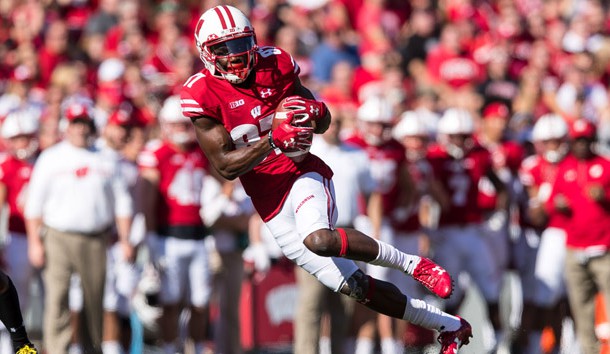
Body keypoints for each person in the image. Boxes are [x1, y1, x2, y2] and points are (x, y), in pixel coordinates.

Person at [179, 5, 472, 354]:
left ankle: (415, 265)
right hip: (269, 204)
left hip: (301, 172)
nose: (236, 56)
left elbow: (322, 119)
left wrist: (314, 113)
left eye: (241, 44)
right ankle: (449, 325)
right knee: (356, 287)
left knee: (319, 238)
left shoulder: (276, 64)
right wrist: (273, 138)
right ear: (205, 52)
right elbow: (225, 166)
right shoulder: (200, 93)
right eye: (224, 49)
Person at [24, 102, 134, 354]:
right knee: (58, 297)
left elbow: (122, 203)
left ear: (91, 126)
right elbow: (34, 205)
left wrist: (126, 238)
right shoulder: (52, 157)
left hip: (96, 237)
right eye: (75, 123)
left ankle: (92, 347)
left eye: (84, 123)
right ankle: (57, 348)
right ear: (67, 126)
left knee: (95, 298)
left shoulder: (106, 158)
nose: (80, 129)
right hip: (58, 235)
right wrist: (34, 242)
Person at [137, 95, 212, 354]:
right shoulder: (156, 153)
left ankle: (198, 347)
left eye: (184, 124)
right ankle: (169, 349)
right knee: (170, 301)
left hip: (200, 237)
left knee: (201, 302)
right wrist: (150, 237)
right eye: (176, 125)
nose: (181, 130)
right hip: (168, 237)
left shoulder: (202, 151)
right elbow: (147, 198)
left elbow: (226, 183)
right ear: (166, 125)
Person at [546, 119, 610, 354]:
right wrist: (559, 205)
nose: (581, 145)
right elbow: (551, 202)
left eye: (585, 140)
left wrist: (604, 196)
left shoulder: (605, 165)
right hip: (575, 247)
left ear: (593, 140)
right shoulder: (565, 168)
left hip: (604, 247)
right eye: (577, 141)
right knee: (582, 308)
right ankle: (589, 351)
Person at [0, 111, 40, 354]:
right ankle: (10, 346)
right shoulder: (6, 165)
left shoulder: (47, 160)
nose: (23, 143)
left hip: (49, 236)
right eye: (17, 138)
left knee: (57, 297)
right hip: (18, 237)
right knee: (15, 293)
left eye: (26, 137)